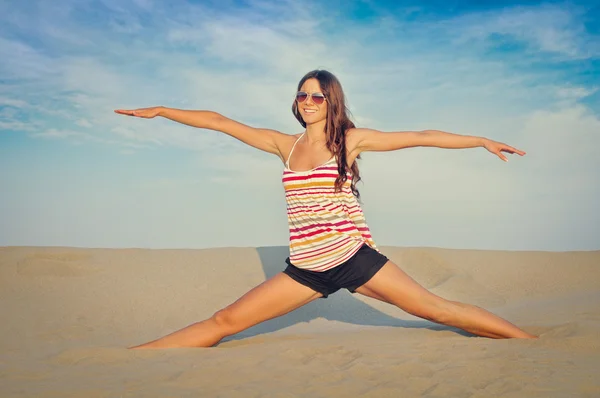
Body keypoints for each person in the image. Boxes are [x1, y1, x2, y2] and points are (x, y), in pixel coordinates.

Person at [115, 69, 537, 348]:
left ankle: (532, 343)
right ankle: (132, 356)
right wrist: (164, 111)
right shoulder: (286, 145)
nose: (309, 101)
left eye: (318, 96)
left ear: (331, 101)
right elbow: (222, 122)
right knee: (226, 321)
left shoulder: (350, 141)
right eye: (303, 95)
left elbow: (421, 135)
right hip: (306, 268)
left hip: (354, 258)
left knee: (436, 309)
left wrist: (480, 140)